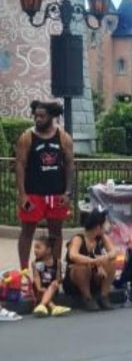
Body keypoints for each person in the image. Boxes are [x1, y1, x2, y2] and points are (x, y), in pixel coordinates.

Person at [15, 100, 75, 272]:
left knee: (55, 232)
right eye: (36, 116)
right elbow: (20, 165)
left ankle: (54, 269)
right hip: (33, 193)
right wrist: (22, 195)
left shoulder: (63, 137)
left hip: (56, 193)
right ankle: (24, 270)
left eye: (42, 116)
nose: (38, 119)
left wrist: (67, 192)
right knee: (27, 232)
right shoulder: (27, 137)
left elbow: (70, 165)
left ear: (52, 116)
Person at [63, 210, 119, 311]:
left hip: (95, 276)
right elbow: (73, 255)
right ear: (98, 227)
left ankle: (103, 296)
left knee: (111, 262)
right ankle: (87, 298)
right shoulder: (78, 238)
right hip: (75, 280)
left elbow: (114, 252)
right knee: (81, 267)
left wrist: (105, 258)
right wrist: (93, 261)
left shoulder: (102, 238)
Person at [30, 235, 70, 317]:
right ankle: (53, 307)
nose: (35, 250)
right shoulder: (35, 263)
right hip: (40, 288)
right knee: (43, 291)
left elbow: (58, 278)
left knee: (53, 284)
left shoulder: (57, 262)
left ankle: (42, 305)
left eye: (38, 247)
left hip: (52, 288)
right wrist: (39, 287)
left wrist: (58, 281)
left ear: (48, 250)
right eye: (35, 247)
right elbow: (36, 277)